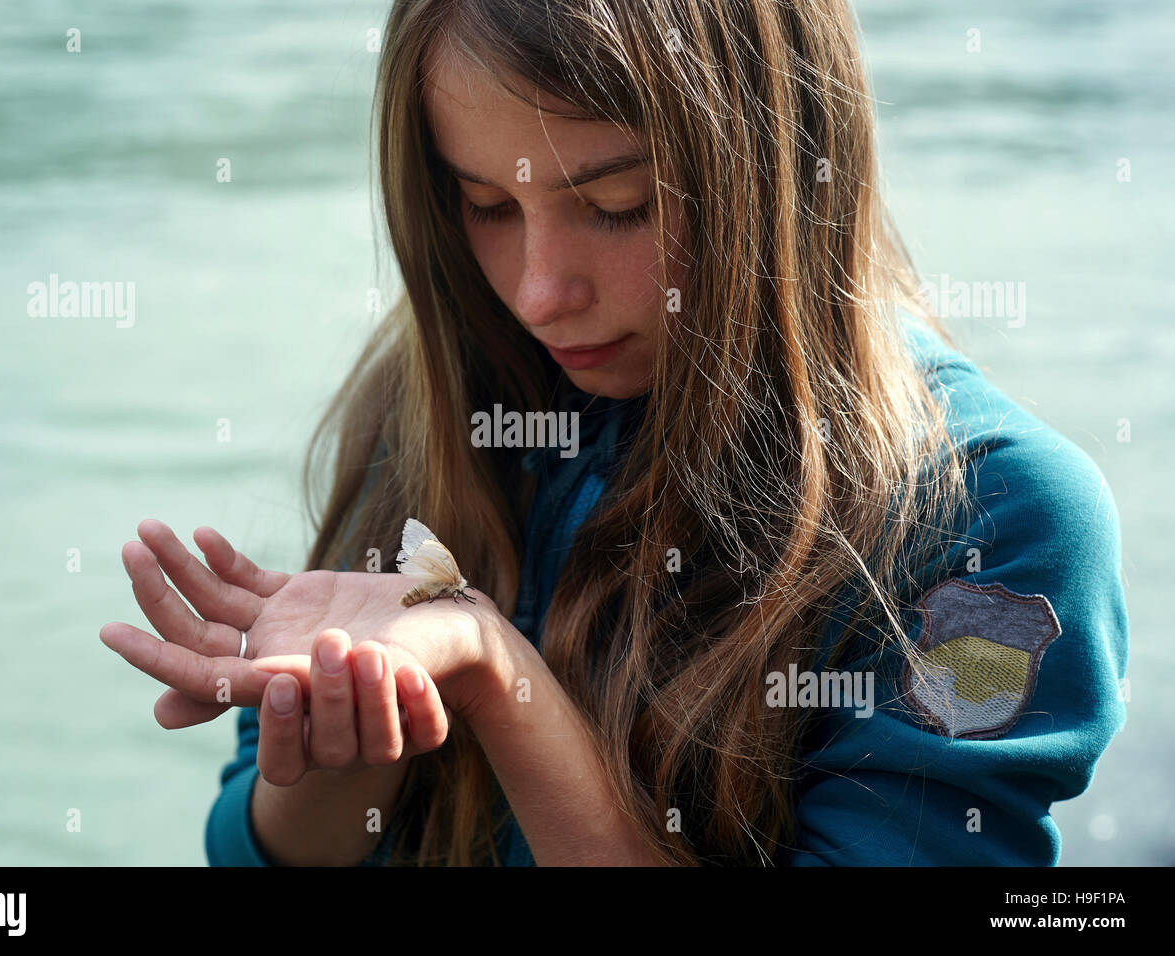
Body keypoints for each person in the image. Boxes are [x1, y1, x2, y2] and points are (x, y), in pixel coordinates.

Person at [101, 0, 1128, 866]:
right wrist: (347, 732)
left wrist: (494, 676)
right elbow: (252, 846)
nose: (540, 293)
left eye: (617, 204)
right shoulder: (440, 393)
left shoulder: (1008, 530)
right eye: (486, 205)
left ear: (781, 161)